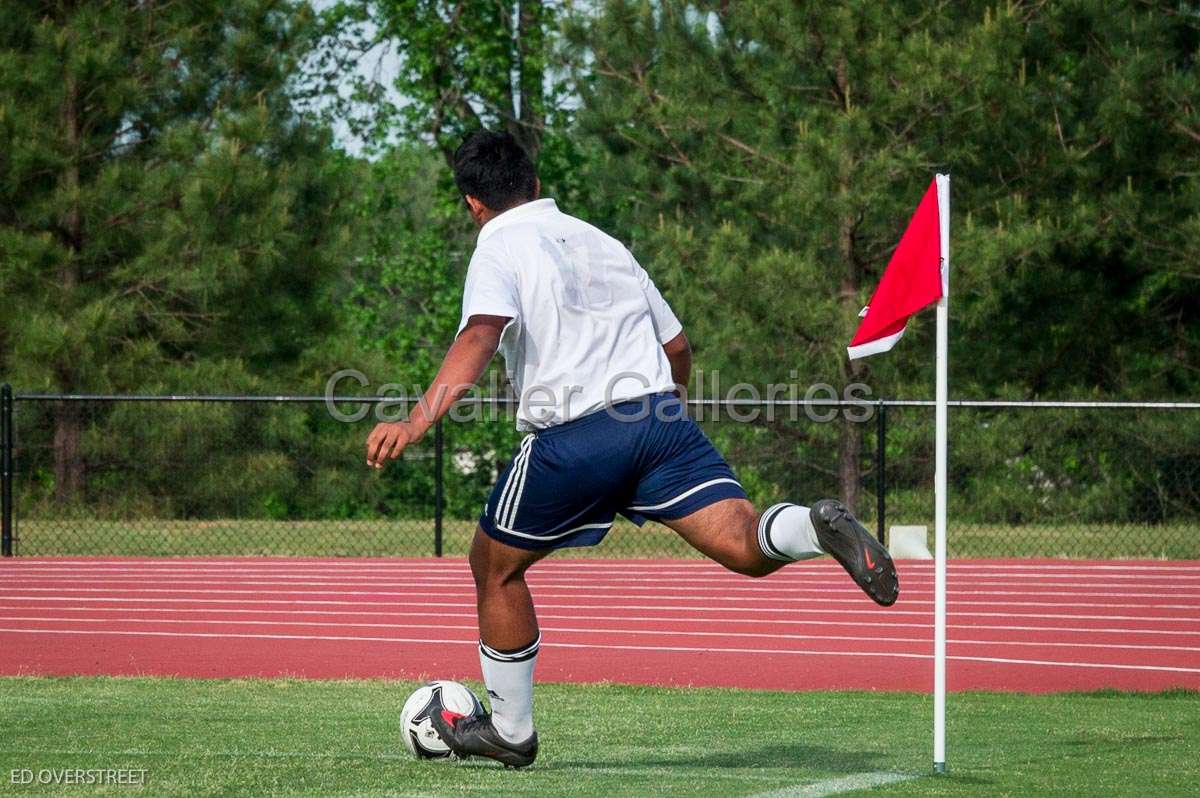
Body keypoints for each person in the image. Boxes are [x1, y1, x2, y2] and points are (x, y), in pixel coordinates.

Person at [365, 129, 899, 768]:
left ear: (474, 203)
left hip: (576, 436)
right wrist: (663, 410)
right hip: (659, 416)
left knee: (493, 567)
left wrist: (419, 418)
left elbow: (482, 333)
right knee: (744, 543)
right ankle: (815, 525)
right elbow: (677, 347)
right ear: (535, 184)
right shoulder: (604, 241)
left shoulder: (497, 248)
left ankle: (509, 731)